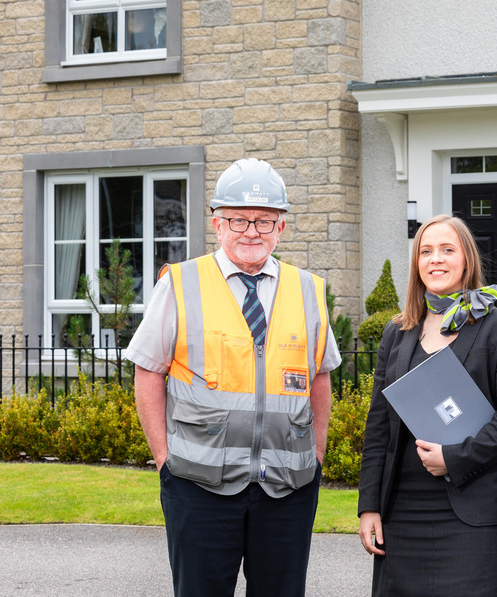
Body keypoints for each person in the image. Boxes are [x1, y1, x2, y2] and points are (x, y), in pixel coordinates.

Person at [126, 158, 341, 597]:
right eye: (238, 219)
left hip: (288, 487)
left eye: (264, 221)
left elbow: (320, 377)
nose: (251, 231)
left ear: (281, 227)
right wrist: (165, 460)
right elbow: (148, 371)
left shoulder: (308, 290)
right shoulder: (181, 283)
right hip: (198, 485)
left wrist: (316, 456)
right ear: (217, 224)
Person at [358, 214, 497, 596]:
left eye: (447, 249)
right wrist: (369, 506)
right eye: (426, 251)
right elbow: (379, 426)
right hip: (401, 510)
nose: (435, 259)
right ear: (416, 263)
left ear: (466, 259)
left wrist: (455, 457)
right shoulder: (397, 331)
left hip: (472, 513)